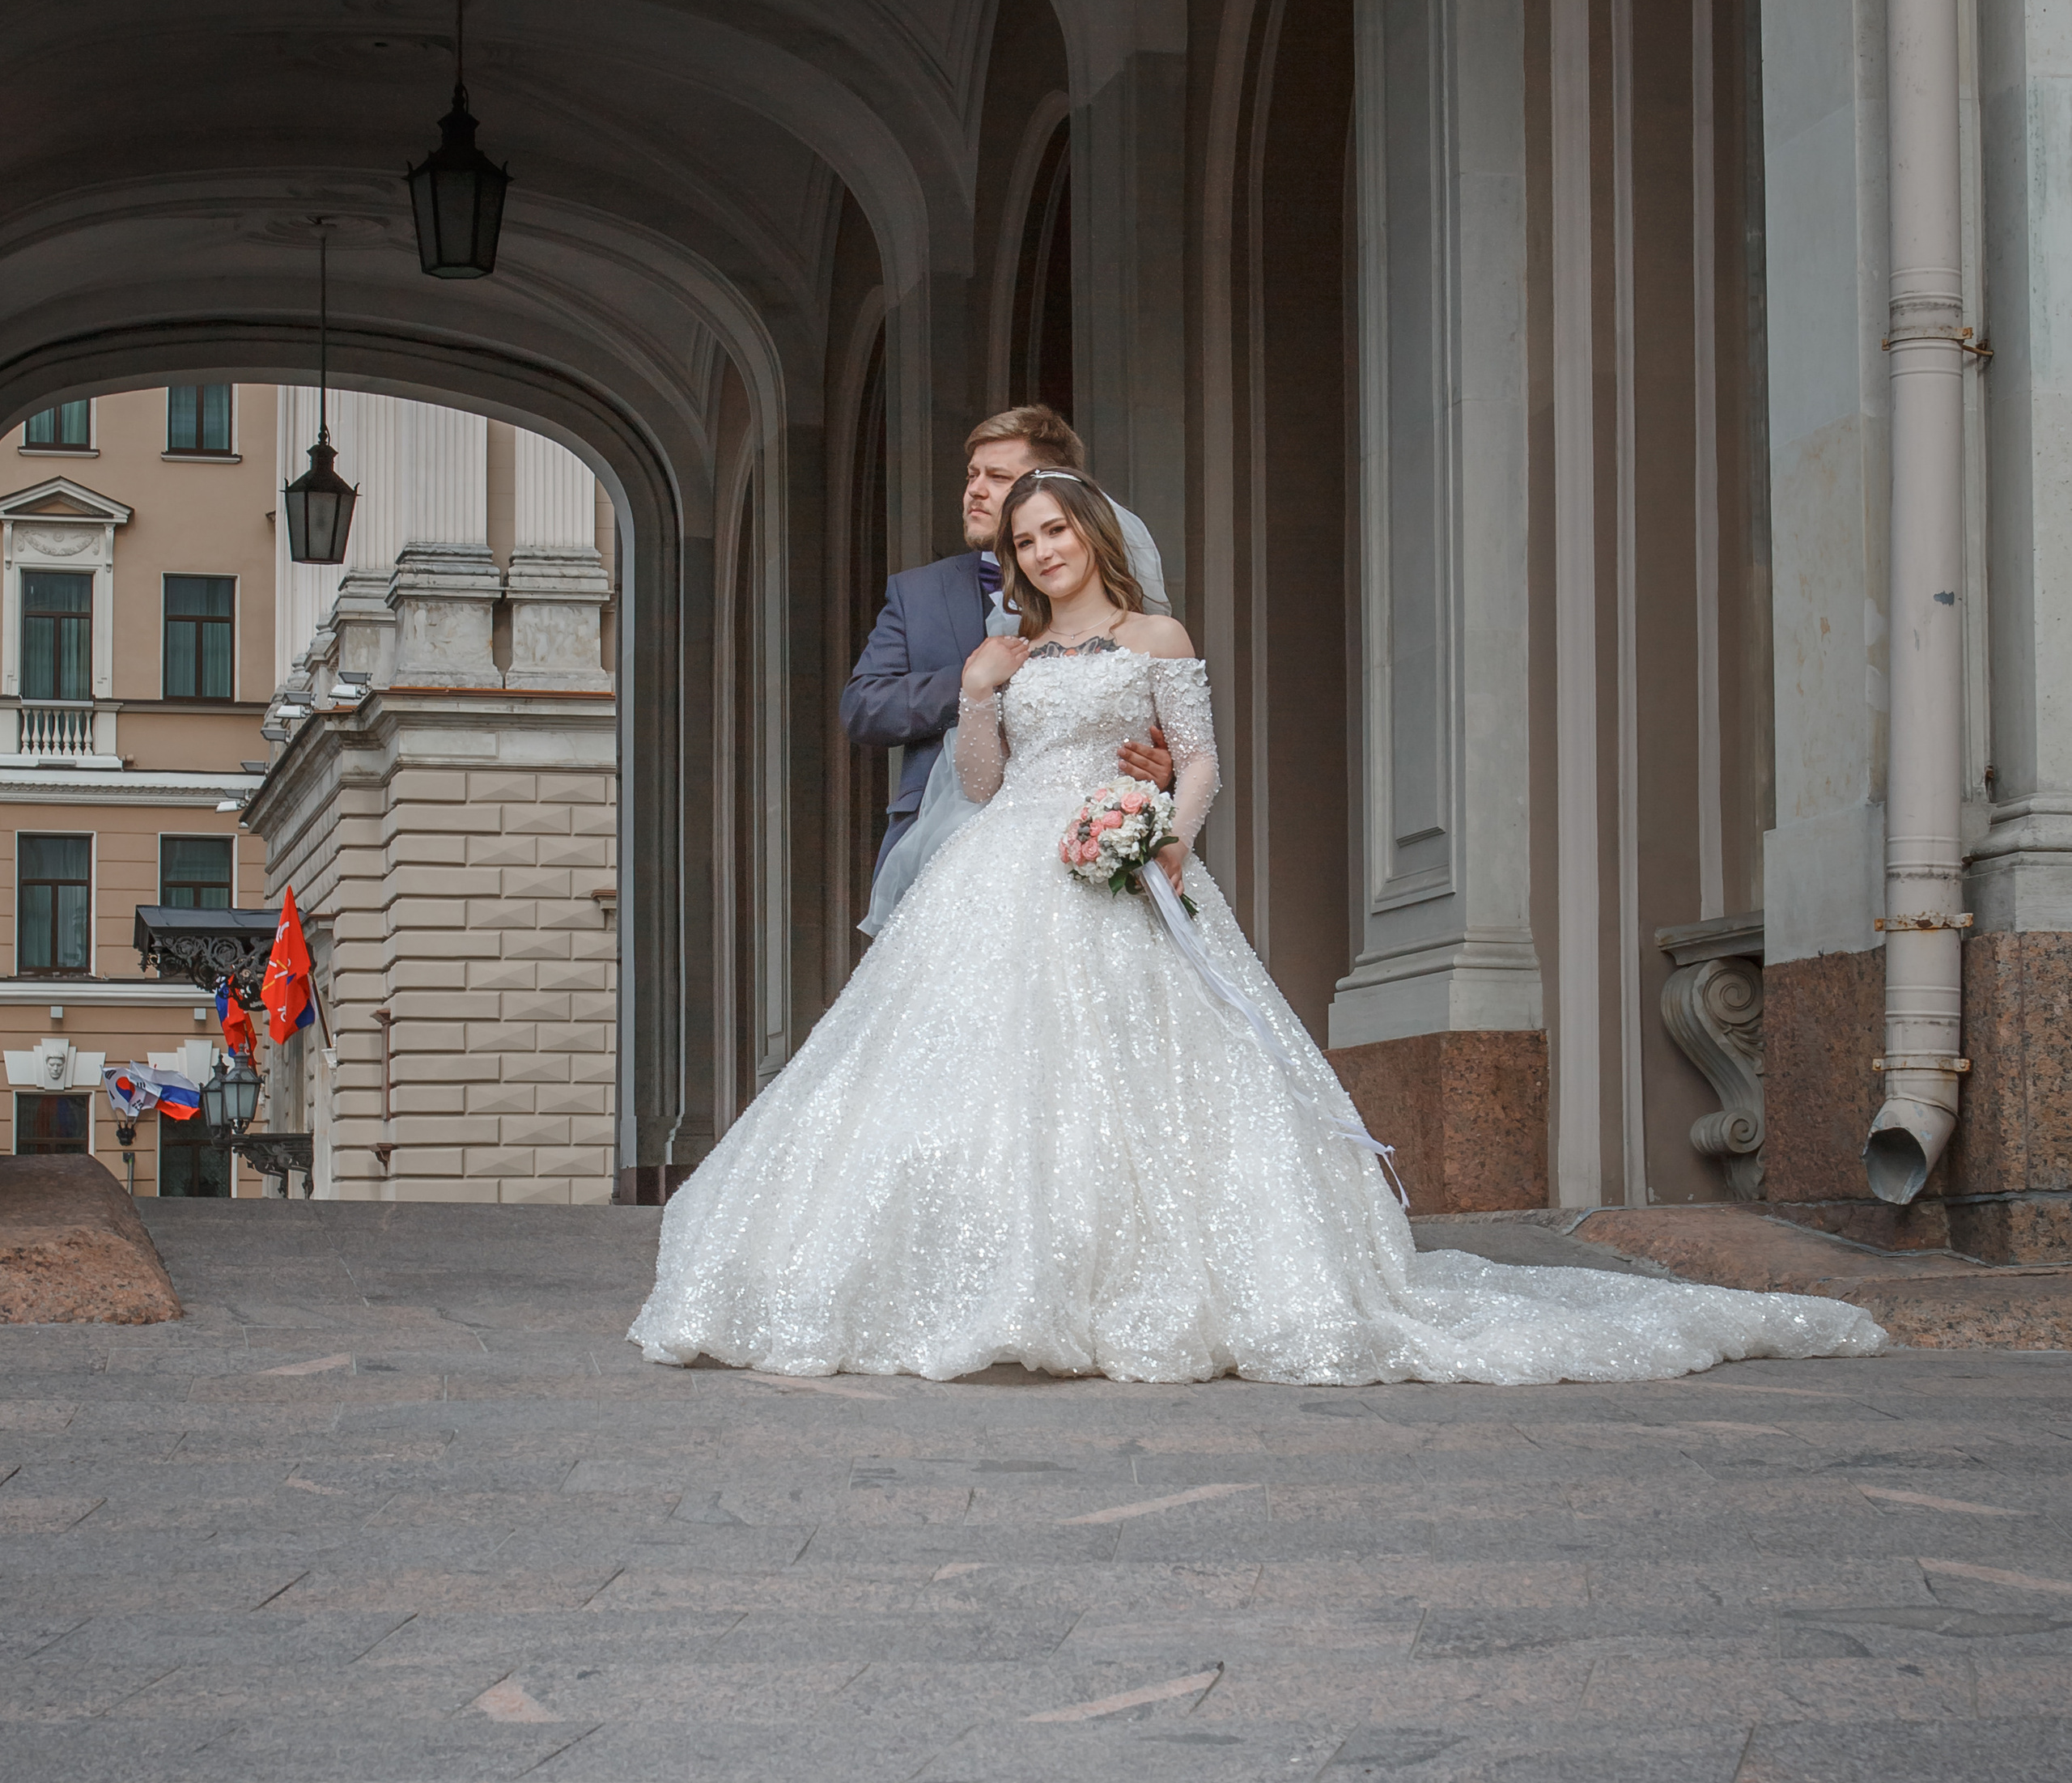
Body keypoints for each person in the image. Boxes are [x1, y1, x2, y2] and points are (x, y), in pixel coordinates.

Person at [631, 473, 1883, 1387]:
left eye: (1055, 528)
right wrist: (971, 694)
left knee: (1158, 1068)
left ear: (1093, 536)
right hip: (1007, 864)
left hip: (1121, 862)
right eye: (1025, 539)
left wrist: (1163, 844)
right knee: (968, 1065)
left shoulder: (1154, 638)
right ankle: (972, 1283)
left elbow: (1203, 762)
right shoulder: (1006, 654)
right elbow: (978, 780)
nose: (1043, 549)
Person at [839, 406, 1171, 923]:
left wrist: (1157, 769)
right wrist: (976, 679)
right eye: (972, 474)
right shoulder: (918, 592)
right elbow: (863, 707)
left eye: (997, 477)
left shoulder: (1116, 604)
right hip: (940, 848)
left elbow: (1147, 717)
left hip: (1085, 848)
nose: (974, 489)